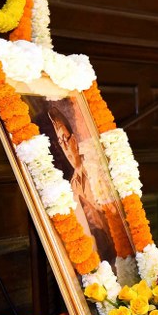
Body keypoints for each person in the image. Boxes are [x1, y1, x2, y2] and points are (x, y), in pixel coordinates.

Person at [47, 106, 116, 261]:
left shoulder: (94, 171)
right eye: (60, 142)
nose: (65, 146)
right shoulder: (73, 185)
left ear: (74, 140)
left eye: (65, 139)